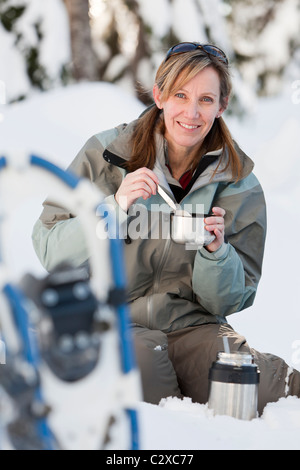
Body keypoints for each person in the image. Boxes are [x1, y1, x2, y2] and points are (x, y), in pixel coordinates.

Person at [32, 42, 300, 415]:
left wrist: (216, 253)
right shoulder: (107, 156)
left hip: (195, 328)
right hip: (111, 322)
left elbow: (231, 300)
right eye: (180, 94)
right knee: (149, 377)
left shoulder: (238, 183)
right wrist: (112, 208)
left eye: (206, 99)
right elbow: (49, 249)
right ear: (159, 95)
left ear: (222, 106)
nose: (191, 113)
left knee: (248, 384)